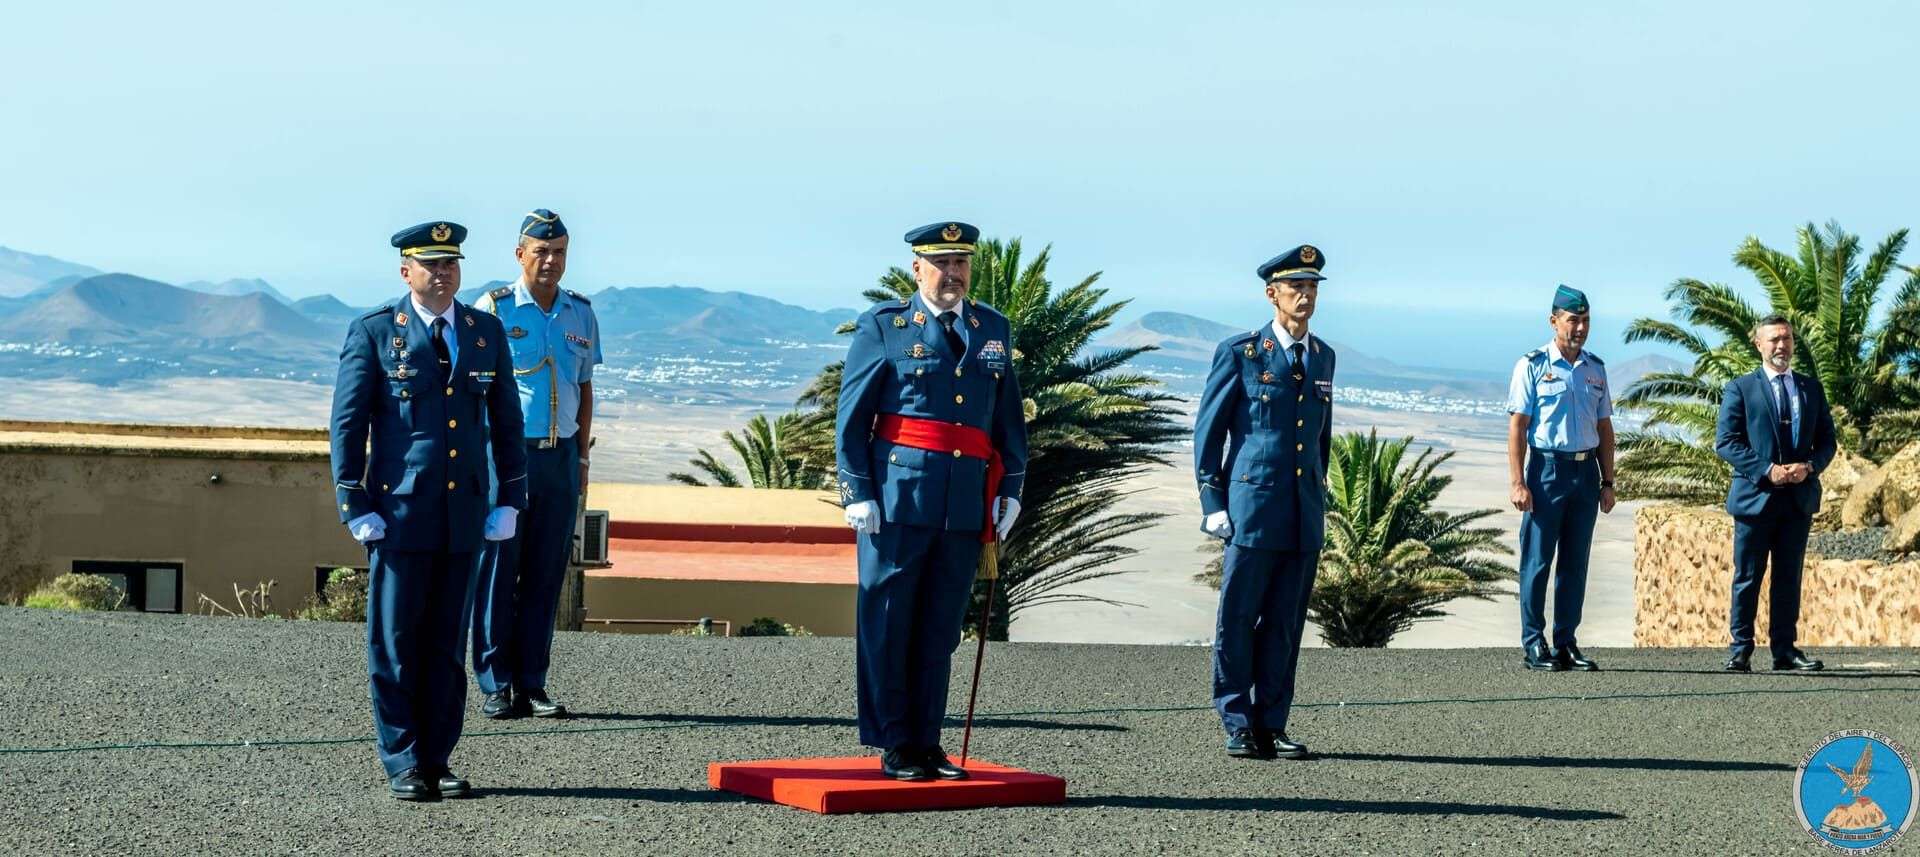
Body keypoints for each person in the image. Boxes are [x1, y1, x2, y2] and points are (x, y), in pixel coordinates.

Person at [330, 221, 527, 801]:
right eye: (430, 264)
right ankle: (403, 761)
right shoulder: (373, 333)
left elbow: (507, 423)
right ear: (406, 271)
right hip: (399, 514)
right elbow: (348, 423)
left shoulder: (483, 330)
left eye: (450, 264)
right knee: (395, 644)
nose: (441, 275)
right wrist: (354, 501)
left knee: (445, 646)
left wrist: (509, 499)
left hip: (463, 514)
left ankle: (438, 759)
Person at [834, 221, 1029, 781]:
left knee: (941, 627)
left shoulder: (991, 327)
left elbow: (1006, 419)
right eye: (941, 263)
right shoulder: (886, 327)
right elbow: (852, 419)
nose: (953, 274)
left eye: (961, 263)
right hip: (898, 500)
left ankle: (928, 740)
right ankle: (896, 742)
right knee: (890, 622)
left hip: (964, 503)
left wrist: (1010, 491)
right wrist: (857, 491)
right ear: (916, 268)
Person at [1193, 244, 1336, 761]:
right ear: (1271, 293)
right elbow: (1209, 433)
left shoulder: (1322, 356)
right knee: (1238, 617)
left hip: (1302, 514)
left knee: (1284, 623)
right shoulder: (1242, 353)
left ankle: (1272, 723)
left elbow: (1319, 438)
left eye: (1313, 287)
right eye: (1296, 287)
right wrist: (1212, 498)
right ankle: (1237, 721)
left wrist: (1321, 495)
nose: (1306, 296)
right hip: (1252, 509)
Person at [470, 209, 602, 719]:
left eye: (560, 252)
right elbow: (475, 389)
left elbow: (585, 387)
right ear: (520, 254)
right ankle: (495, 683)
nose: (551, 261)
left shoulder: (580, 314)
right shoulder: (495, 309)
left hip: (561, 457)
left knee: (548, 574)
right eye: (541, 251)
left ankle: (532, 683)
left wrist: (583, 455)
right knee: (500, 569)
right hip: (509, 457)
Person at [1505, 285, 1617, 672]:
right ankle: (1534, 642)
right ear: (1554, 321)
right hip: (1547, 471)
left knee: (1575, 563)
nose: (1580, 328)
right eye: (1573, 320)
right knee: (1537, 561)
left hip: (1585, 473)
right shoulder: (1533, 366)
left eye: (1585, 320)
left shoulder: (1595, 369)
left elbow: (1604, 428)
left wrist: (1608, 481)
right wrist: (1518, 482)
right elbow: (1518, 426)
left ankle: (1566, 641)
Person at [1715, 314, 1835, 672]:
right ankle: (1740, 649)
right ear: (1759, 344)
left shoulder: (1810, 388)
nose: (1781, 346)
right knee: (1748, 577)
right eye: (1774, 340)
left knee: (1788, 577)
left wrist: (1809, 466)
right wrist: (1767, 470)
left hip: (1797, 501)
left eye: (1786, 338)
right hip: (1755, 500)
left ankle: (1785, 651)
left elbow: (1828, 440)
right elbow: (1727, 442)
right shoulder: (1741, 388)